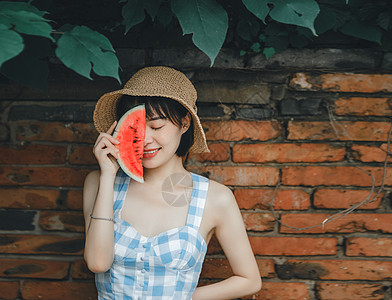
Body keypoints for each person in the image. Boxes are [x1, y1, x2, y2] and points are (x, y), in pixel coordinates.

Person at [83, 66, 262, 299]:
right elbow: (98, 263)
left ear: (184, 123)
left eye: (157, 126)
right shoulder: (99, 182)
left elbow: (249, 281)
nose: (146, 140)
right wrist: (108, 176)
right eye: (135, 129)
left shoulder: (215, 198)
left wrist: (182, 296)